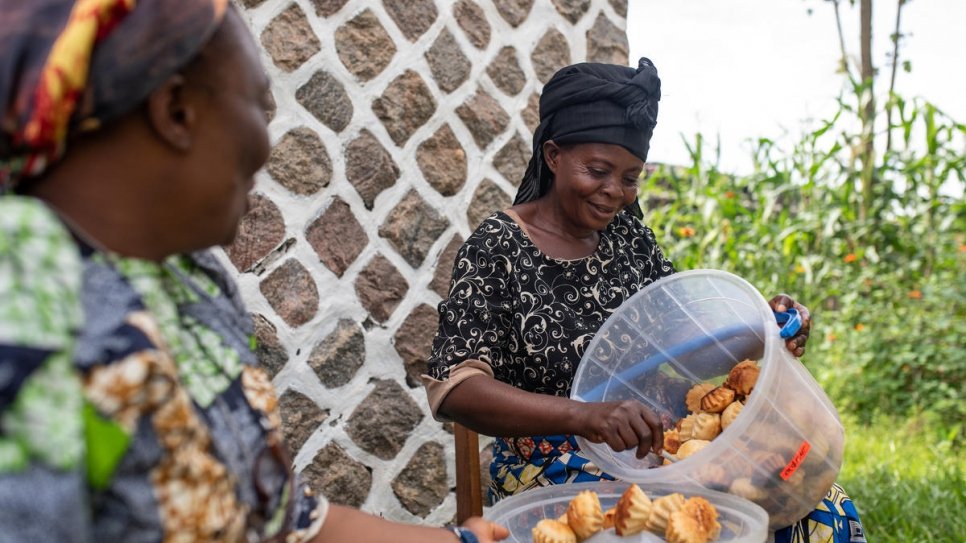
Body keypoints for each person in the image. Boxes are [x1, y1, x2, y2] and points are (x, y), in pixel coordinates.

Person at [0, 2, 508, 542]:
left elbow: (281, 522)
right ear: (175, 109)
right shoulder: (26, 292)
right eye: (259, 107)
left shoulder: (190, 279)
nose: (267, 149)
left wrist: (462, 541)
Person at [424, 58, 865, 543]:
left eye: (630, 178)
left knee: (810, 500)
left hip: (667, 442)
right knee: (681, 528)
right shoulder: (499, 246)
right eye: (598, 171)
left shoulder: (627, 237)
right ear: (553, 155)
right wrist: (586, 415)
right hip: (558, 463)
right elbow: (457, 390)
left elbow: (687, 344)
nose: (614, 192)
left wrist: (764, 324)